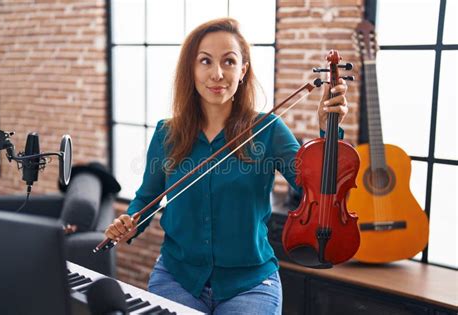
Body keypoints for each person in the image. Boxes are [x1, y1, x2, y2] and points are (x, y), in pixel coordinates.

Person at [105, 18, 349, 315]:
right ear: (191, 69)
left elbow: (317, 189)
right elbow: (146, 198)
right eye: (205, 61)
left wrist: (328, 130)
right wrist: (129, 223)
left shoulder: (269, 128)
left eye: (229, 62)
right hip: (178, 278)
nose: (217, 74)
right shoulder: (166, 133)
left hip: (250, 283)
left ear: (243, 70)